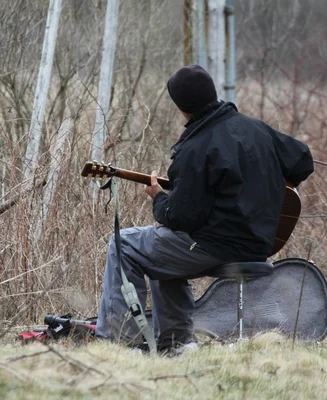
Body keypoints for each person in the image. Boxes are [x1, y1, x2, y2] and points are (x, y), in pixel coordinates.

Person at [95, 65, 314, 354]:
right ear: (213, 93)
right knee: (161, 251)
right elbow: (303, 161)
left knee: (123, 244)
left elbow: (179, 218)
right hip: (258, 244)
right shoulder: (257, 129)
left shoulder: (195, 149)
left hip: (214, 246)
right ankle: (177, 344)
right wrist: (264, 185)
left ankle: (122, 345)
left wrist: (158, 198)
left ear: (181, 107)